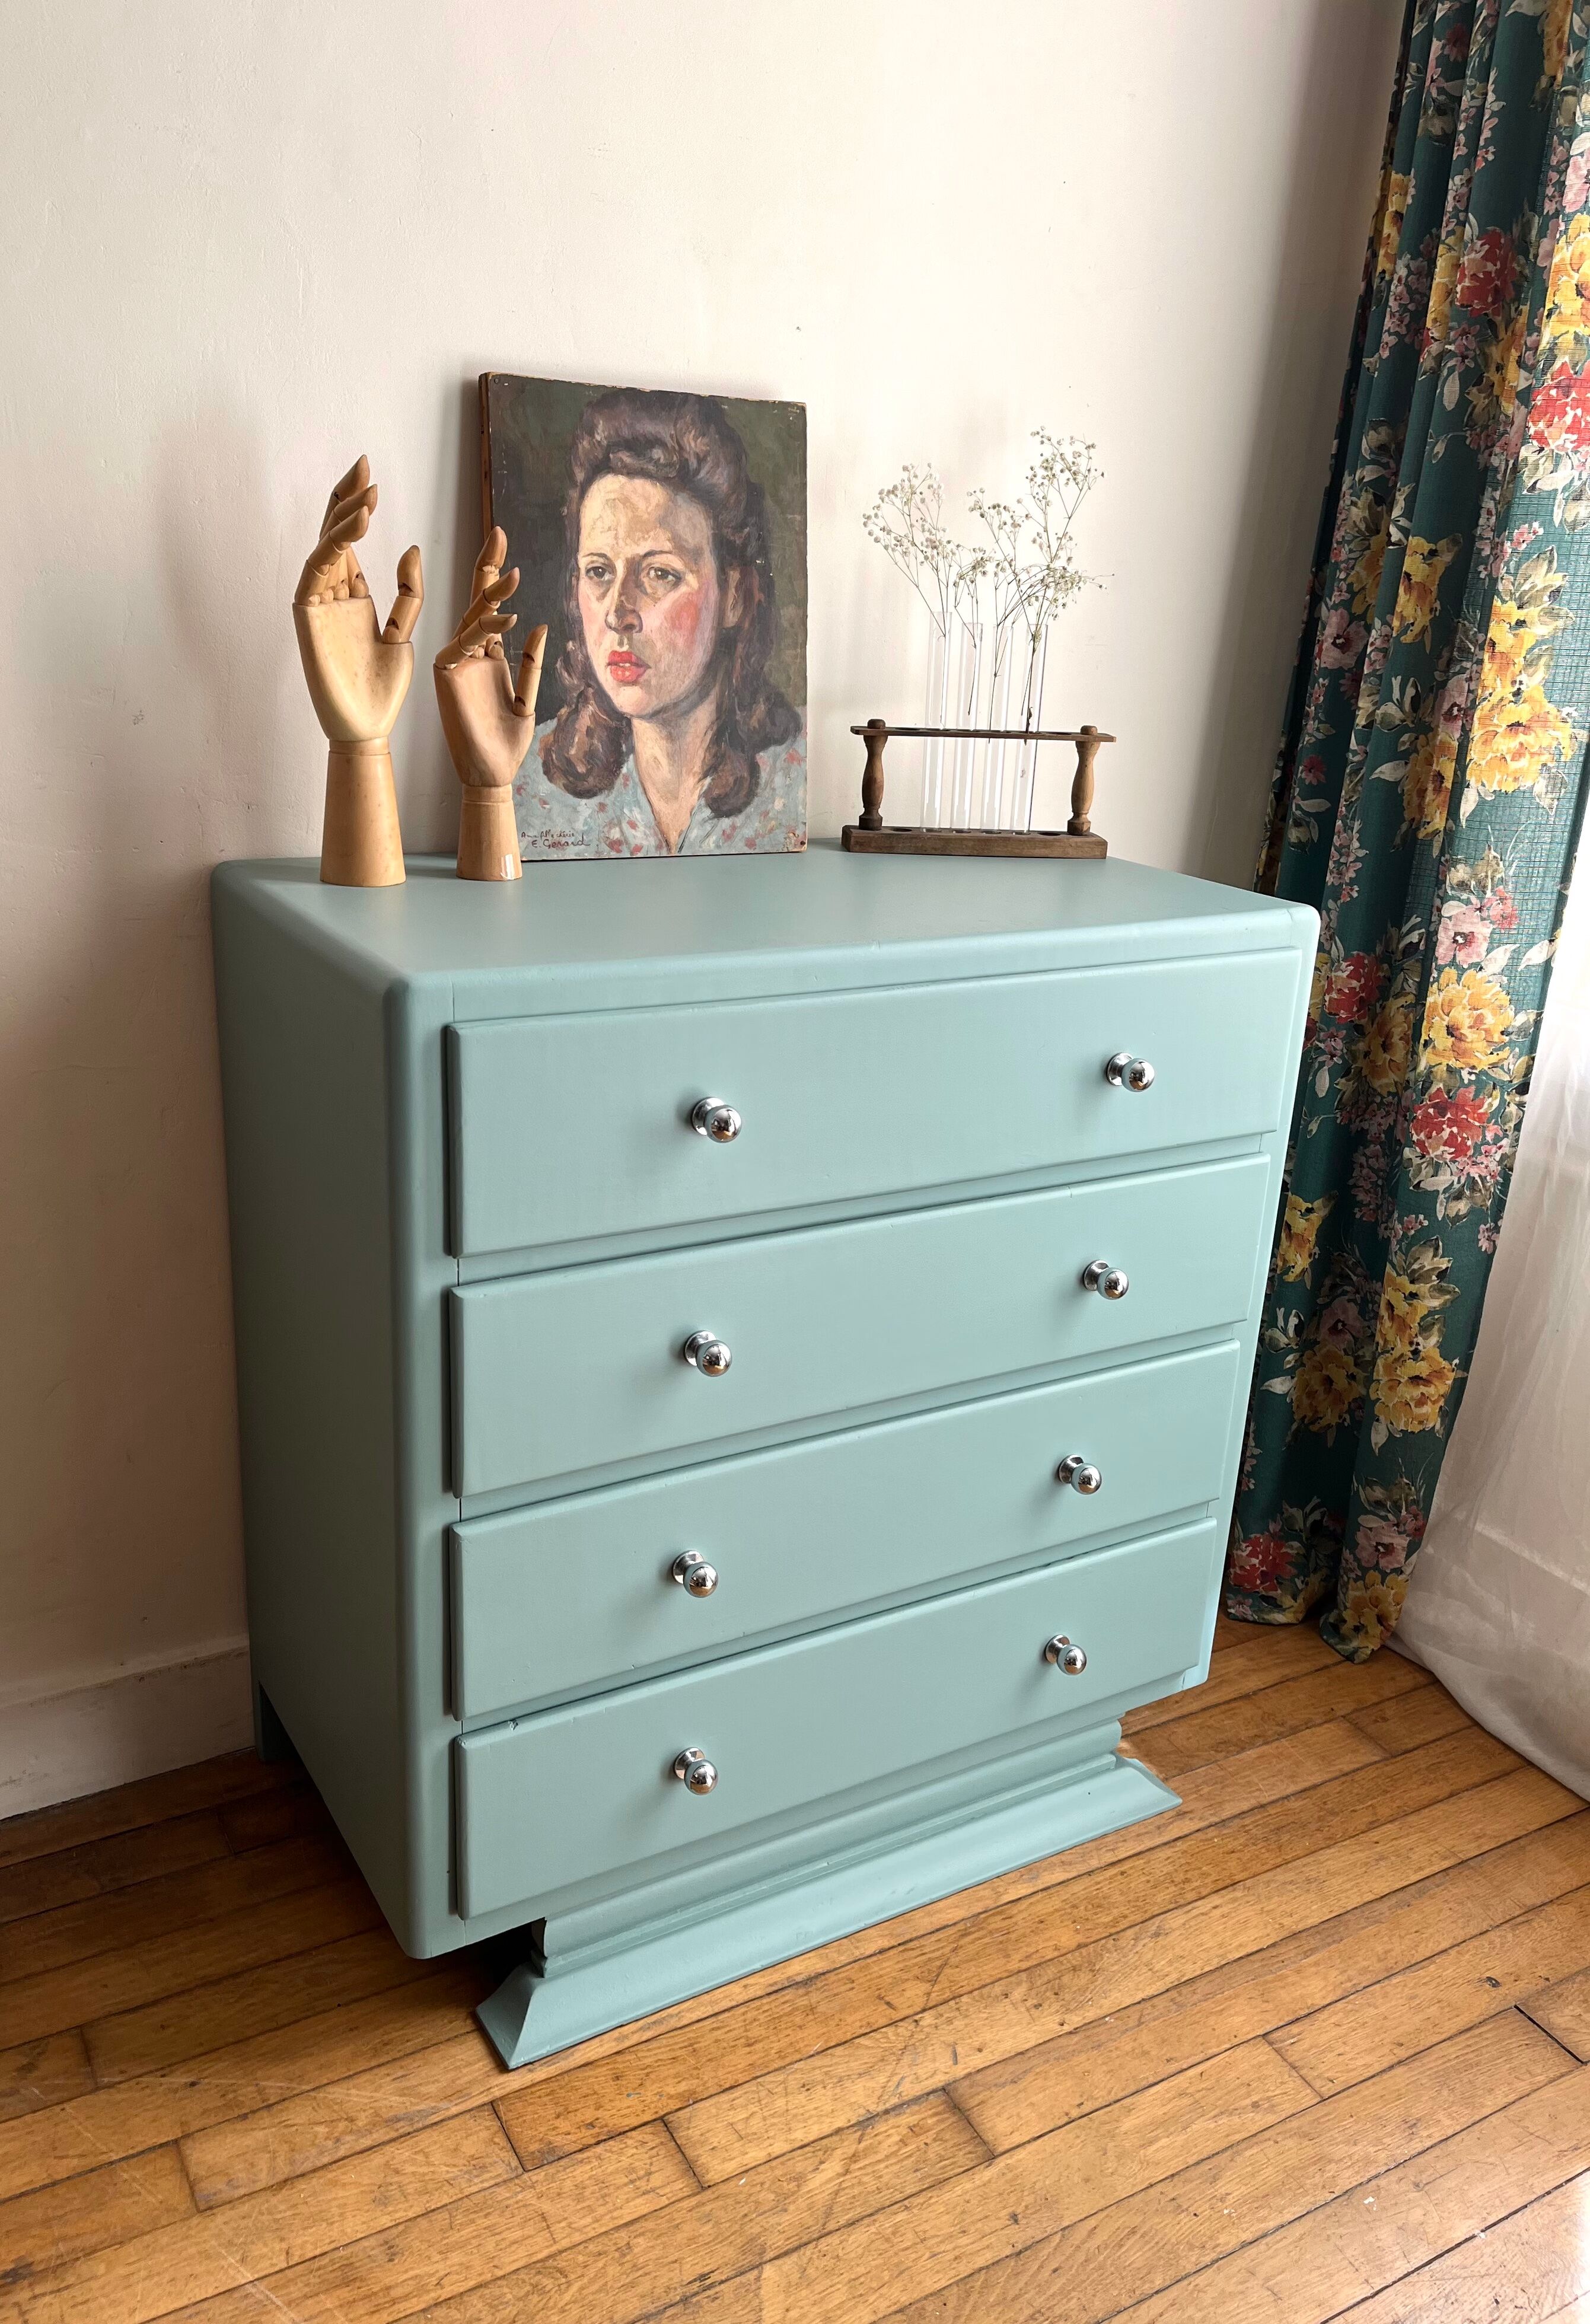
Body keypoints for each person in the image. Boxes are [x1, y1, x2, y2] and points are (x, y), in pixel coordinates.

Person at [516, 388, 804, 856]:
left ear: (733, 596)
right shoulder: (530, 783)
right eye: (598, 572)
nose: (617, 613)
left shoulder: (796, 778)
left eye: (659, 574)